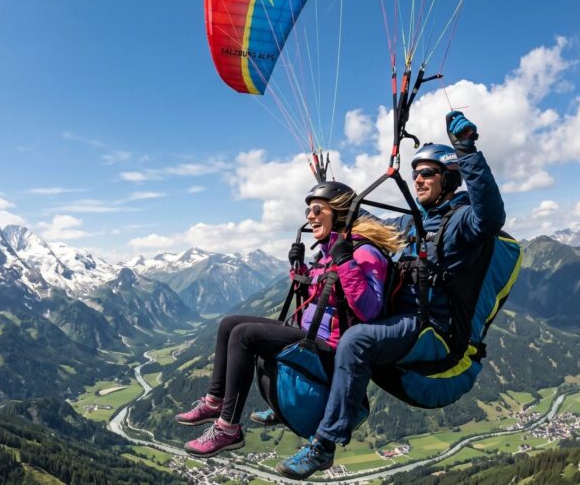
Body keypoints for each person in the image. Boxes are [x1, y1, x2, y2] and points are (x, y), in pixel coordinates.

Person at [275, 110, 506, 479]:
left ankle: (324, 445)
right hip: (404, 321)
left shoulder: (462, 223)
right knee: (334, 321)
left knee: (356, 340)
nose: (417, 178)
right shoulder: (410, 223)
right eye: (415, 173)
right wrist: (328, 193)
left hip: (433, 330)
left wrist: (468, 152)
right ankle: (302, 402)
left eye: (427, 172)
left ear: (448, 178)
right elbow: (364, 218)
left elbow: (491, 217)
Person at [174, 182, 405, 458]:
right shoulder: (331, 250)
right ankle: (214, 400)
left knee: (244, 335)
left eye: (317, 209)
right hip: (310, 336)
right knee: (228, 324)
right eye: (308, 209)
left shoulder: (364, 252)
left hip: (331, 349)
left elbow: (369, 310)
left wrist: (345, 261)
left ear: (339, 214)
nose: (309, 215)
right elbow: (322, 296)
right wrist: (302, 271)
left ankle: (227, 428)